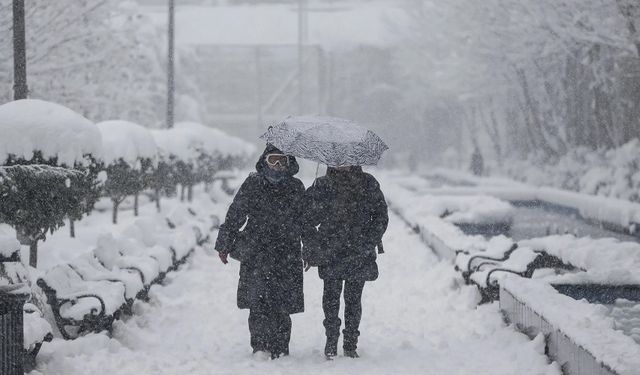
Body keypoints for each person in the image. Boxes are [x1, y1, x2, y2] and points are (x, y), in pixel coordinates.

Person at [215, 144, 305, 359]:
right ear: (264, 160)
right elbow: (236, 213)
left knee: (282, 304)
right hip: (257, 251)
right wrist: (224, 243)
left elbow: (306, 221)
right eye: (273, 159)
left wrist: (311, 248)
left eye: (281, 160)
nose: (277, 165)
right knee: (258, 301)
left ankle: (281, 347)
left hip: (287, 251)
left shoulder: (295, 187)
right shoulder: (253, 183)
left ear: (289, 163)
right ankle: (260, 347)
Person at [303, 165, 389, 359]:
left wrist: (369, 241)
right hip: (330, 250)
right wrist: (311, 246)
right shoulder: (322, 184)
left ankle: (350, 343)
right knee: (331, 298)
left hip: (359, 251)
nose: (342, 164)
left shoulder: (368, 182)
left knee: (353, 299)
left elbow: (381, 216)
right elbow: (307, 218)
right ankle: (331, 340)